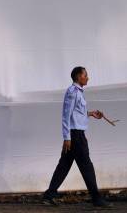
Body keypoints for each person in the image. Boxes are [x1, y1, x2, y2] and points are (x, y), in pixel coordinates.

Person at [42, 66, 112, 207]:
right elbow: (66, 115)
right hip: (75, 136)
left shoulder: (78, 92)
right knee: (87, 166)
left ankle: (49, 195)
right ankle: (96, 199)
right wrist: (67, 137)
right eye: (85, 75)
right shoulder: (72, 92)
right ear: (78, 77)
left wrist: (90, 113)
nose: (88, 78)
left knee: (64, 166)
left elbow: (76, 113)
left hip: (75, 134)